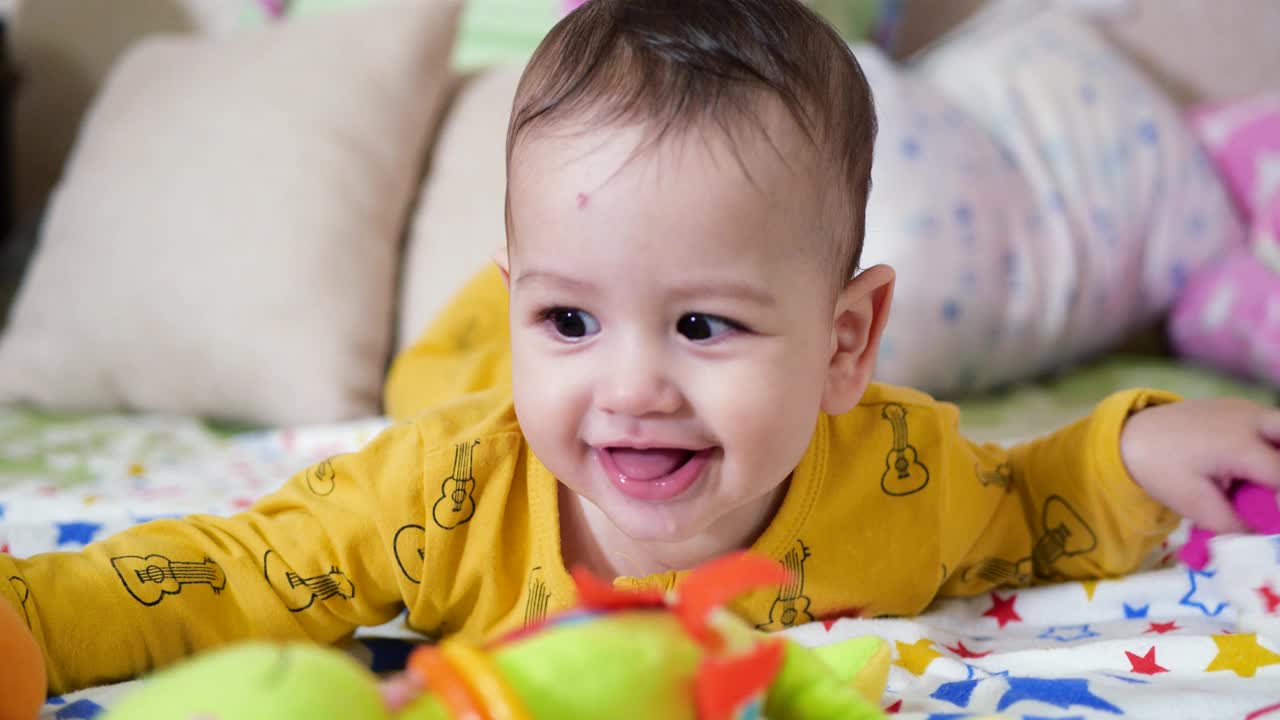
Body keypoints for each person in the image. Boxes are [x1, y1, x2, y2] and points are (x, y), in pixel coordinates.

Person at [4, 0, 1278, 696]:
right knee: (439, 391)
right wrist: (33, 623)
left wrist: (1136, 446)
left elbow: (1025, 501)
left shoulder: (898, 475)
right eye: (568, 316)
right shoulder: (439, 497)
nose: (632, 388)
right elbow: (232, 571)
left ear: (846, 344)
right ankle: (475, 332)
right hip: (469, 401)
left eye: (704, 324)